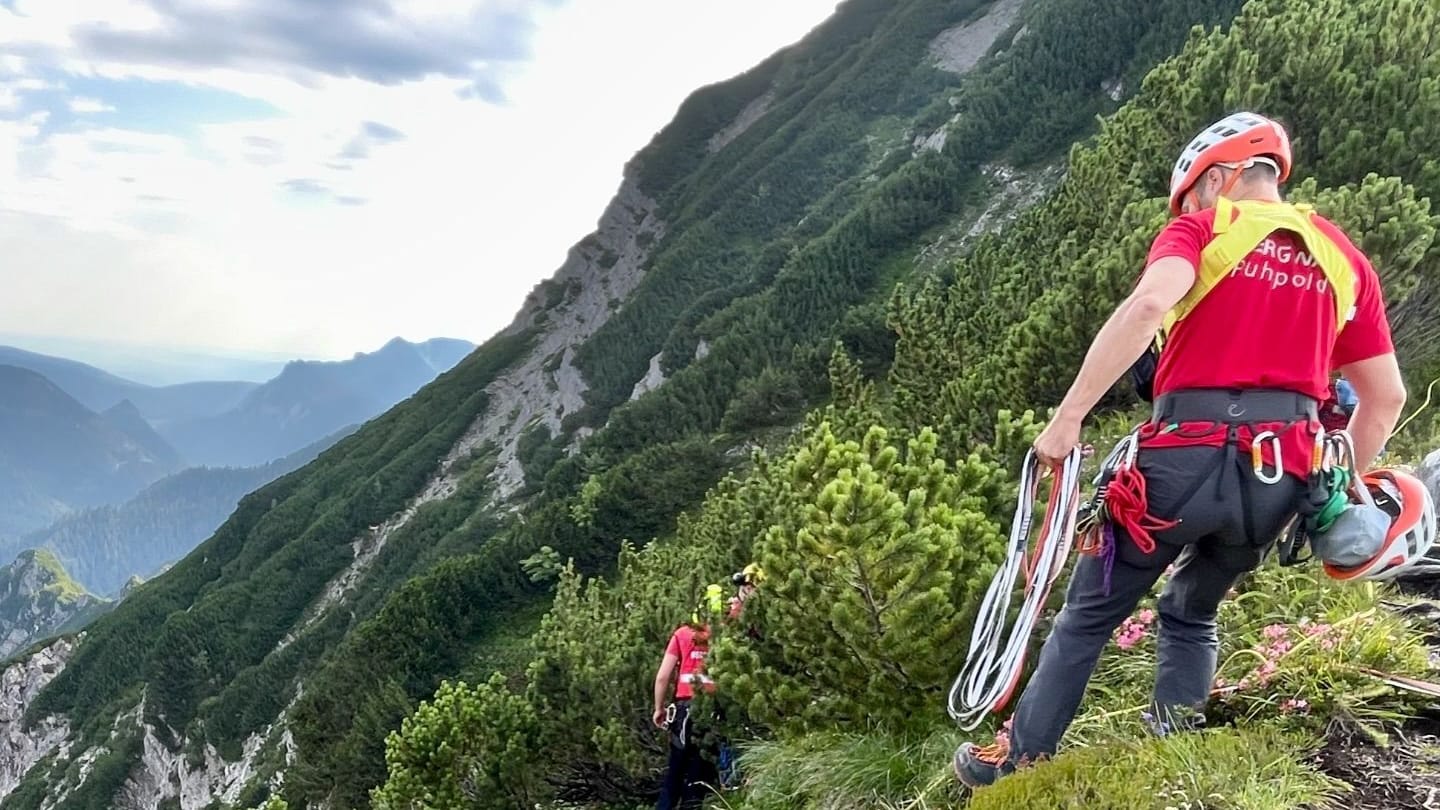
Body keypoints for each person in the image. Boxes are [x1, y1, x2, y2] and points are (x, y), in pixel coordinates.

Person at [952, 111, 1408, 787]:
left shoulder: (1201, 229)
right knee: (1193, 608)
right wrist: (1337, 494)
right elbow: (1387, 397)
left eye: (1195, 191)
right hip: (1279, 477)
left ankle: (1016, 762)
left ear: (1221, 176)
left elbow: (1144, 310)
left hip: (1179, 466)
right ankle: (1177, 752)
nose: (1191, 205)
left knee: (1089, 614)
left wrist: (1068, 418)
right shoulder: (1344, 259)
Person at [652, 585, 725, 809]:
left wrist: (659, 708)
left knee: (676, 768)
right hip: (713, 709)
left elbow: (663, 676)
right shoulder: (724, 634)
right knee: (700, 772)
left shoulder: (682, 634)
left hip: (684, 709)